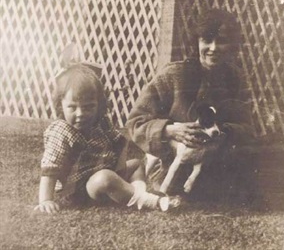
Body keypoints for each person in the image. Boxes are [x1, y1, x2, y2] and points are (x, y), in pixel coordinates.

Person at [125, 9, 284, 212]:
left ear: (232, 45)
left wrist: (221, 135)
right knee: (256, 177)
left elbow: (247, 128)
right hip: (178, 168)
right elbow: (134, 123)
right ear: (197, 42)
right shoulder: (174, 75)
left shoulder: (234, 77)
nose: (213, 47)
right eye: (206, 40)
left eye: (221, 41)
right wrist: (170, 129)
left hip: (220, 153)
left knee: (278, 145)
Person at [34, 62, 179, 214]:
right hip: (79, 190)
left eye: (88, 107)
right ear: (60, 105)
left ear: (99, 105)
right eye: (72, 107)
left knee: (135, 164)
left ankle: (137, 194)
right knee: (105, 177)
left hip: (105, 172)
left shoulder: (101, 122)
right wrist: (45, 200)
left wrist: (120, 168)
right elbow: (50, 169)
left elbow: (120, 142)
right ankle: (150, 201)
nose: (80, 113)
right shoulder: (61, 131)